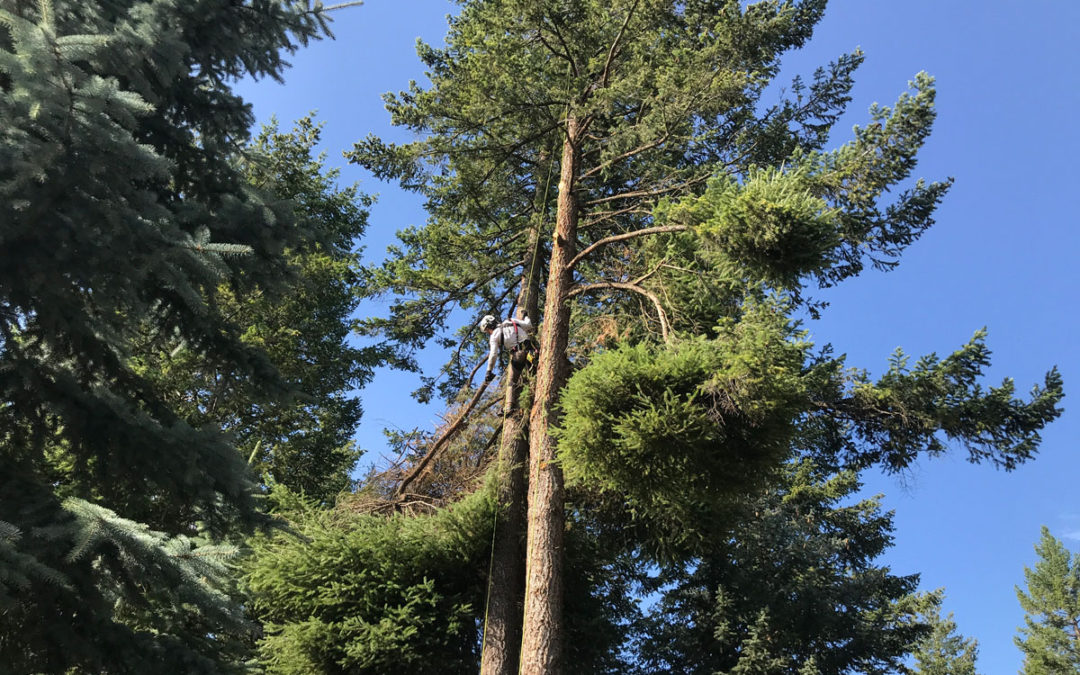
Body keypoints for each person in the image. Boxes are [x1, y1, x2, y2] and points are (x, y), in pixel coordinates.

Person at [479, 312, 535, 383]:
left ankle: (522, 383)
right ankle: (532, 359)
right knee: (532, 364)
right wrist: (526, 316)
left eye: (487, 330)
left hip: (519, 355)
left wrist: (489, 371)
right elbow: (528, 325)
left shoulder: (494, 336)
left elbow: (493, 354)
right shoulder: (511, 321)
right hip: (530, 348)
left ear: (490, 325)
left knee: (512, 382)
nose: (489, 333)